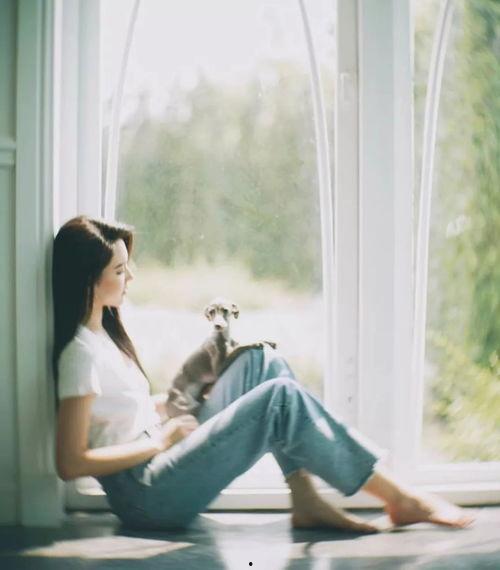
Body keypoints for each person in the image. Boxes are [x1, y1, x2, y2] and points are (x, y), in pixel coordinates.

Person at [53, 215, 475, 532]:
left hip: (160, 457)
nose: (130, 277)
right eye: (119, 271)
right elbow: (70, 462)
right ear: (89, 280)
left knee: (262, 363)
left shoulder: (105, 338)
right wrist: (161, 441)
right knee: (279, 398)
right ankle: (400, 498)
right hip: (147, 496)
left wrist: (174, 406)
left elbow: (116, 415)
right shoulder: (80, 354)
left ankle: (304, 497)